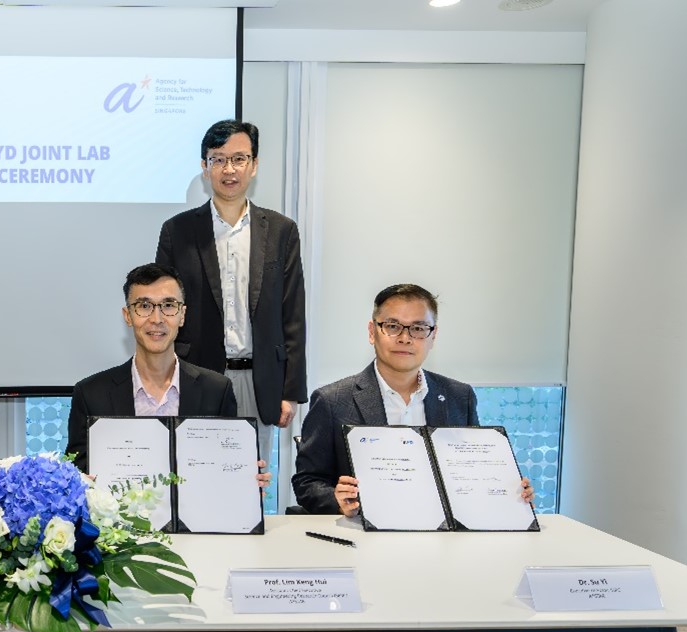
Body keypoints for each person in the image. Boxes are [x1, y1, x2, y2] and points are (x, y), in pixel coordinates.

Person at [291, 283, 534, 516]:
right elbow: (307, 481)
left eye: (418, 328)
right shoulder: (332, 401)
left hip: (443, 533)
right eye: (392, 326)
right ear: (372, 332)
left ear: (433, 335)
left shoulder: (460, 397)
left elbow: (474, 471)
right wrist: (336, 499)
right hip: (365, 532)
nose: (405, 338)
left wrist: (507, 490)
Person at [155, 119, 307, 461]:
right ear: (204, 166)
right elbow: (163, 311)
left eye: (239, 159)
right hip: (197, 375)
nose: (229, 169)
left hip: (260, 379)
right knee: (193, 471)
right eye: (218, 159)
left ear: (254, 165)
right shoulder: (177, 231)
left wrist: (290, 390)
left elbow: (293, 314)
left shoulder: (281, 231)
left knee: (251, 477)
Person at [64, 263, 270, 489]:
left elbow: (225, 469)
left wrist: (245, 483)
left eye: (168, 305)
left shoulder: (217, 390)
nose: (157, 318)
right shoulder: (91, 394)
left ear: (182, 315)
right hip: (122, 513)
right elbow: (77, 476)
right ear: (128, 316)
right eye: (144, 306)